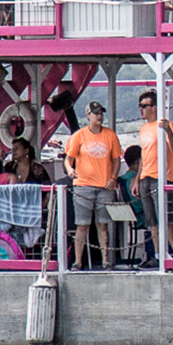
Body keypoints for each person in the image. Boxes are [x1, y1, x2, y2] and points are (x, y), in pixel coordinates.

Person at [65, 101, 124, 270]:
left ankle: (106, 260)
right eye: (96, 113)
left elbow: (116, 159)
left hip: (104, 185)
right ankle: (77, 261)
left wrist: (113, 178)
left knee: (102, 224)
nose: (99, 116)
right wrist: (70, 170)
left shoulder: (110, 135)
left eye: (101, 113)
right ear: (88, 115)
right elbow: (68, 159)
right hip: (83, 185)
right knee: (82, 225)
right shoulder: (79, 135)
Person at [136, 88, 173, 260]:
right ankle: (157, 253)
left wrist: (168, 131)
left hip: (161, 177)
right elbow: (143, 154)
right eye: (140, 106)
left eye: (144, 106)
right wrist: (137, 179)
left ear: (154, 107)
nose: (141, 109)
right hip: (146, 176)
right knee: (151, 219)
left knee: (165, 217)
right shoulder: (143, 129)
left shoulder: (165, 125)